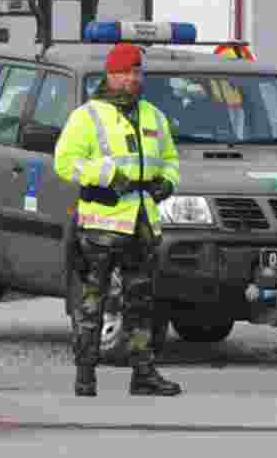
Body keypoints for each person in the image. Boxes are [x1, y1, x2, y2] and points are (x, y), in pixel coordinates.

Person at [54, 42, 182, 397]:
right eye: (127, 72)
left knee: (141, 302)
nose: (133, 79)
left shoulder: (154, 115)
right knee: (93, 302)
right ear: (110, 75)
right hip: (101, 223)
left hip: (141, 222)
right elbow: (65, 163)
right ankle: (85, 376)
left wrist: (168, 182)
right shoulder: (88, 116)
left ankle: (143, 373)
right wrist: (106, 175)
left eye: (138, 72)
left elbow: (170, 158)